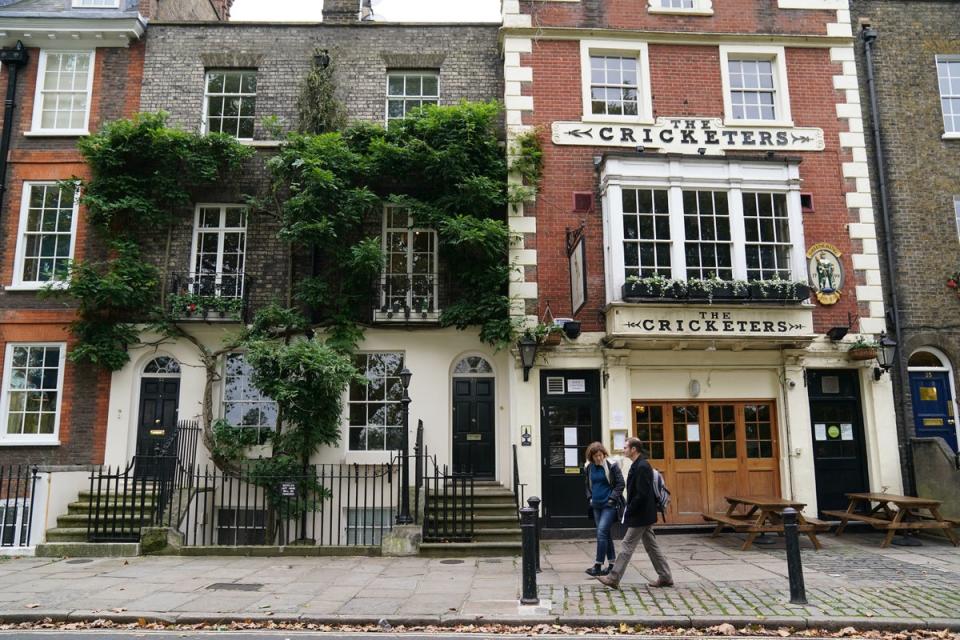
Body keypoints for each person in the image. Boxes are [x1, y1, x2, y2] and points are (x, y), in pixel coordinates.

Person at [595, 437, 673, 589]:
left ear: (633, 449)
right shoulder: (637, 465)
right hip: (643, 514)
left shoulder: (642, 466)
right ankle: (665, 576)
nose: (623, 450)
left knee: (627, 545)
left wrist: (629, 510)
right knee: (652, 546)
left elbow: (642, 494)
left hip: (641, 514)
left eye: (625, 447)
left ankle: (613, 577)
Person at [583, 442, 625, 577]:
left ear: (604, 454)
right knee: (605, 534)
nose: (599, 458)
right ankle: (612, 564)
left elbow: (620, 484)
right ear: (591, 457)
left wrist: (612, 499)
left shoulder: (611, 466)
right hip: (596, 505)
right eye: (596, 456)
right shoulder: (589, 468)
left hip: (608, 505)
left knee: (601, 533)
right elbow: (587, 485)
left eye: (600, 455)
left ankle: (598, 565)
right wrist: (590, 497)